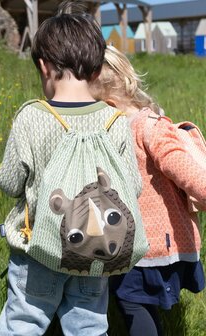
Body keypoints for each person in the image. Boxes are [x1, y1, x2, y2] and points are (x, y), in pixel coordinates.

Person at [0, 2, 142, 335]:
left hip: (37, 250)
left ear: (44, 67)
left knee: (23, 322)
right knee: (88, 324)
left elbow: (9, 182)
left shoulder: (32, 117)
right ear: (96, 70)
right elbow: (132, 187)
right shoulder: (116, 121)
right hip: (94, 253)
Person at [90, 46, 206, 336]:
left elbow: (179, 164)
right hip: (133, 242)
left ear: (106, 101)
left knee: (131, 302)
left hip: (153, 243)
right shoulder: (120, 127)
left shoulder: (146, 126)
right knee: (135, 301)